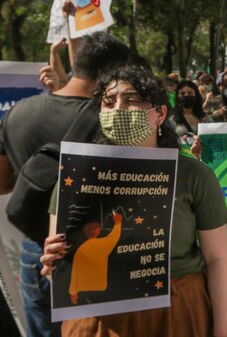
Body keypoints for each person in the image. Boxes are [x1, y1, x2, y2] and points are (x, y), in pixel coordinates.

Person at [39, 64, 227, 337]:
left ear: (160, 114)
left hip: (176, 311)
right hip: (98, 318)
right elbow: (55, 268)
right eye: (109, 102)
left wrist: (223, 330)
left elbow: (216, 259)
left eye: (131, 100)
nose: (118, 109)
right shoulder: (75, 178)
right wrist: (52, 264)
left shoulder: (194, 176)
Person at [0, 31, 133, 337]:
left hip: (36, 253)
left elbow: (3, 183)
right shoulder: (108, 121)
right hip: (94, 259)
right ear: (109, 76)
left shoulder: (17, 114)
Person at [172, 79, 207, 157]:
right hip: (182, 159)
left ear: (196, 95)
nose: (186, 95)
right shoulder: (171, 119)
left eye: (190, 93)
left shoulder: (206, 118)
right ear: (177, 96)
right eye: (182, 93)